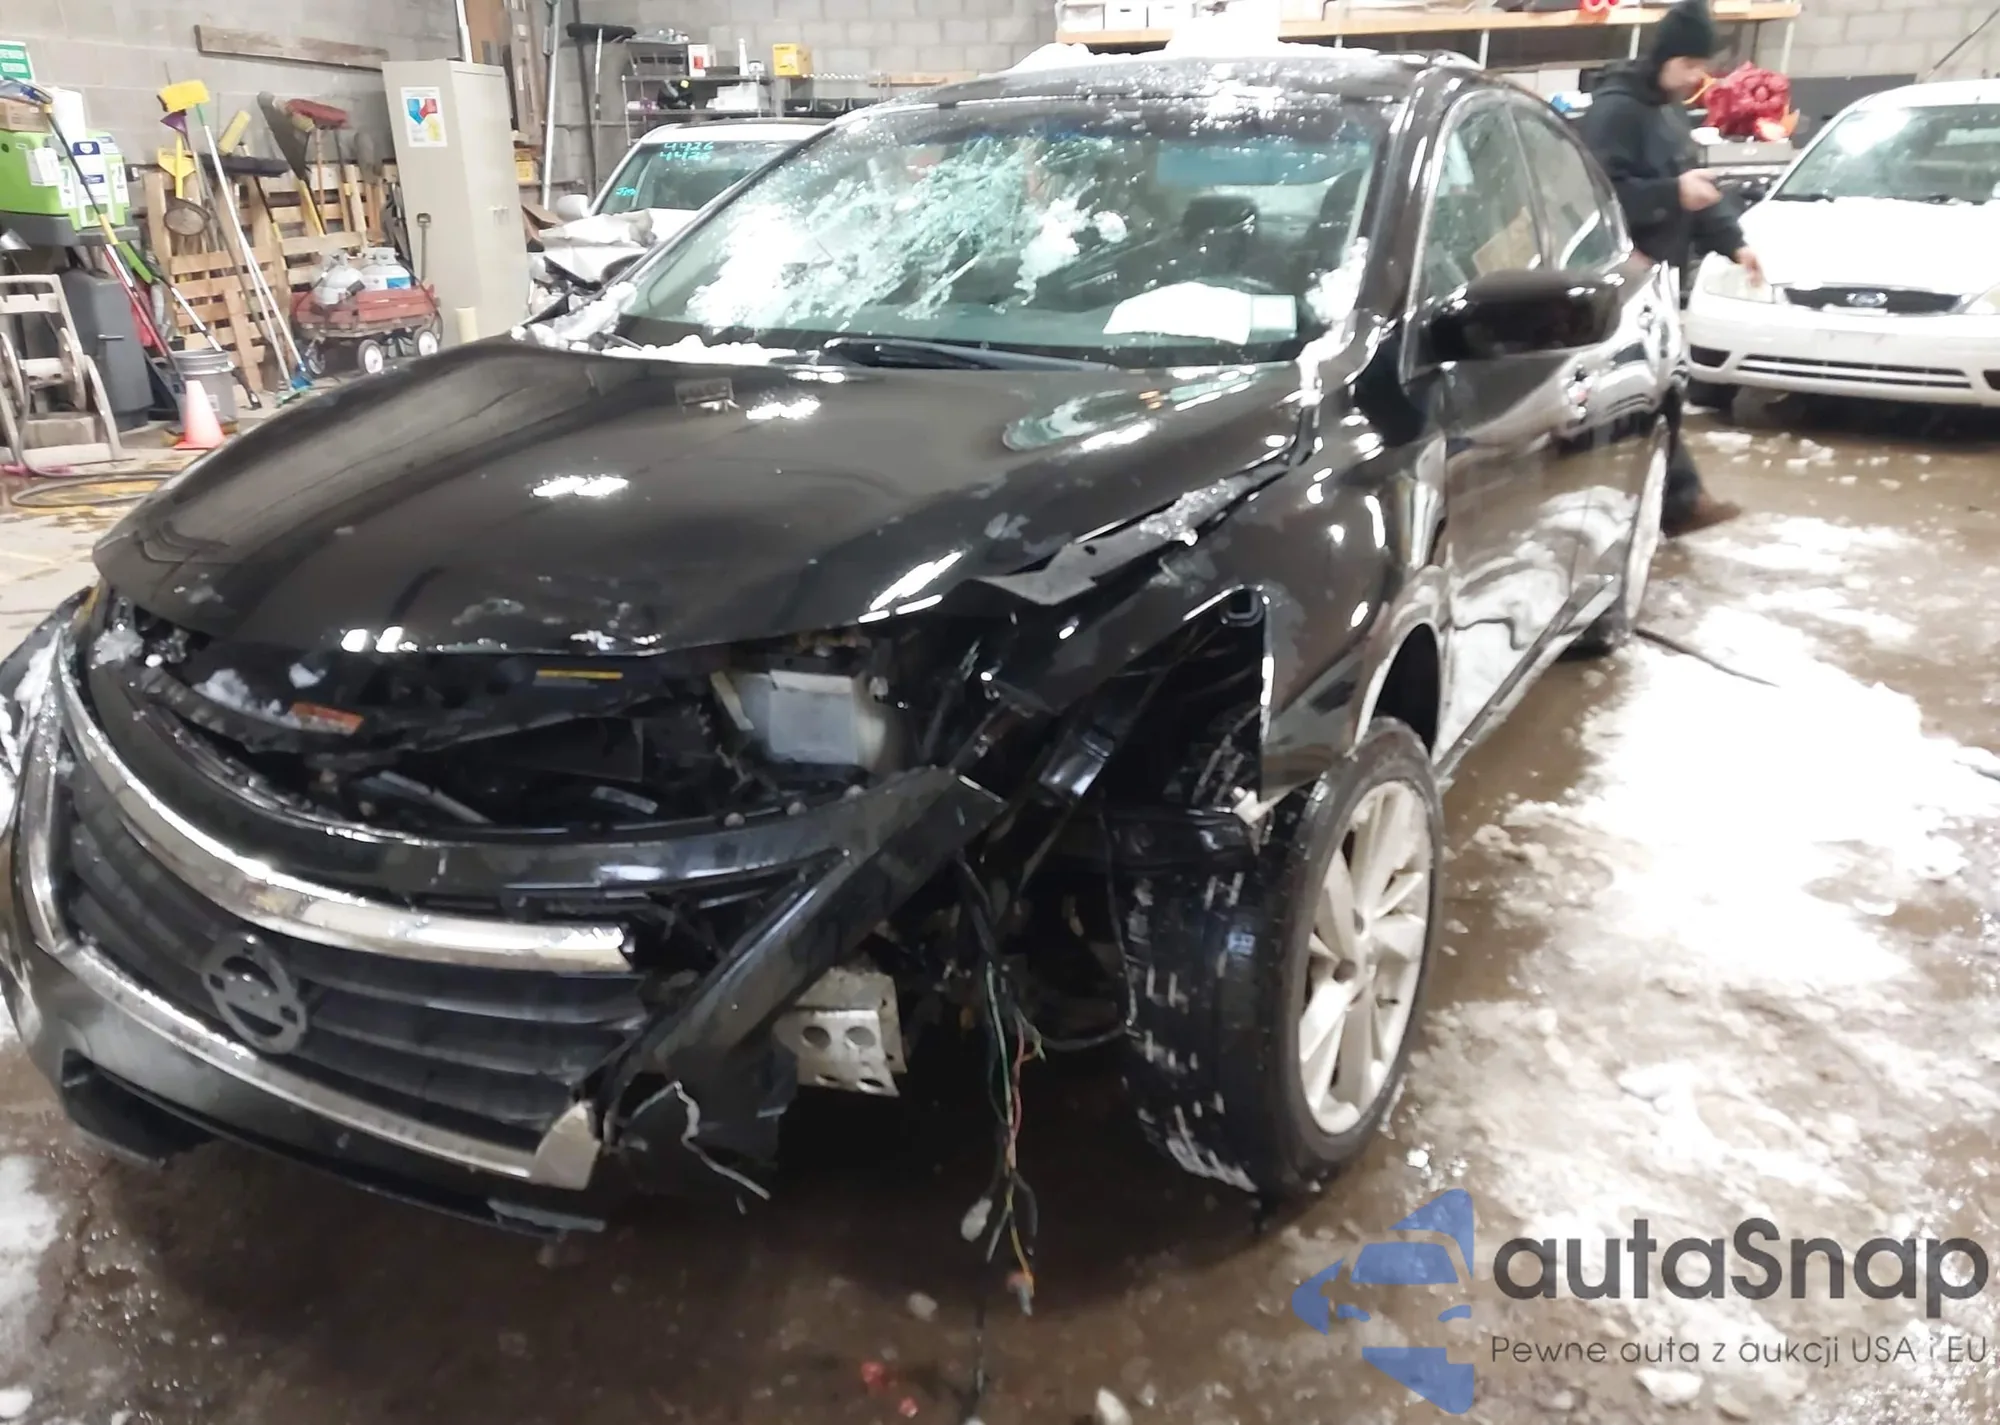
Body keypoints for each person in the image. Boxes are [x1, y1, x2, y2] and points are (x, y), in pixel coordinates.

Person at [1579, 0, 1757, 536]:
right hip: (1619, 278)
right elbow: (1594, 196)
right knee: (1640, 391)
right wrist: (1668, 195)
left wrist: (1734, 244)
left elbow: (1694, 188)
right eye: (1691, 64)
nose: (1699, 76)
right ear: (1666, 58)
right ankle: (1673, 501)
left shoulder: (1670, 113)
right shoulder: (1616, 114)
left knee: (1656, 389)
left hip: (1659, 278)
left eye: (1704, 65)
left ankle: (1675, 500)